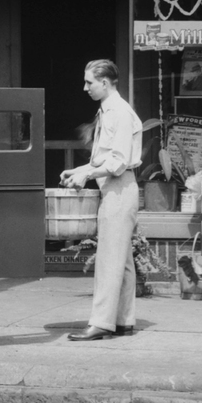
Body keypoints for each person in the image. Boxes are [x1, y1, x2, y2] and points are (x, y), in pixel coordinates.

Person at [60, 59, 143, 341]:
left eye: (89, 82)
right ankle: (123, 320)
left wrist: (87, 174)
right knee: (122, 259)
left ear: (105, 83)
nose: (85, 88)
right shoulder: (109, 110)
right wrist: (80, 171)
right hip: (116, 187)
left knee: (109, 259)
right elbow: (105, 158)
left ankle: (101, 323)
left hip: (118, 188)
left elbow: (118, 161)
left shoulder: (118, 112)